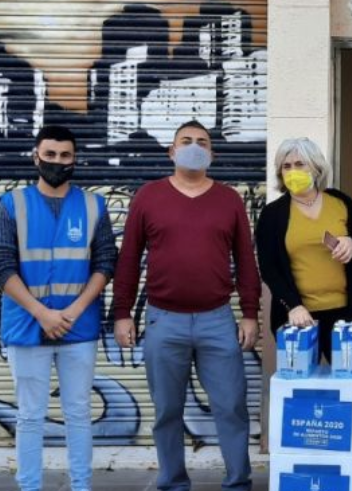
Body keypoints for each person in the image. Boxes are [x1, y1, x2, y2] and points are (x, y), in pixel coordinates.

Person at [112, 120, 260, 491]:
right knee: (167, 412)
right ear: (172, 151)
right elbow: (128, 258)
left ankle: (238, 482)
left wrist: (250, 313)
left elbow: (245, 260)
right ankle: (173, 483)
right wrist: (121, 313)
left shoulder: (229, 199)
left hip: (217, 320)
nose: (194, 146)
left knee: (231, 407)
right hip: (164, 321)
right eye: (186, 141)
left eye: (202, 142)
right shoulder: (148, 196)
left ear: (212, 153)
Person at [0, 124, 117, 491]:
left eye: (65, 156)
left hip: (80, 327)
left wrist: (72, 312)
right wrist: (42, 313)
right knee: (29, 416)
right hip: (27, 327)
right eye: (50, 155)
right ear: (36, 157)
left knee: (78, 413)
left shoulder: (93, 205)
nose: (57, 162)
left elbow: (106, 262)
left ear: (75, 160)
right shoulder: (12, 204)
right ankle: (29, 487)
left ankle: (81, 485)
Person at [255, 137, 352, 362]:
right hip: (299, 317)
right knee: (301, 389)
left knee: (348, 385)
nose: (292, 171)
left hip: (345, 315)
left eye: (300, 164)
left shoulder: (340, 202)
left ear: (316, 167)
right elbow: (269, 269)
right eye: (286, 166)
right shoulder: (272, 214)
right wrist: (293, 305)